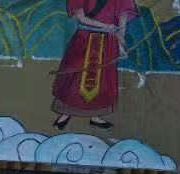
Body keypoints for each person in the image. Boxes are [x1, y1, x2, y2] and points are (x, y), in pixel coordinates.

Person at [51, 0, 136, 131]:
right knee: (75, 78)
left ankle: (96, 117)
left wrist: (120, 45)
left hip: (108, 43)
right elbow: (81, 18)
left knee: (103, 81)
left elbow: (122, 21)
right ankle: (65, 113)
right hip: (84, 39)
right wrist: (104, 26)